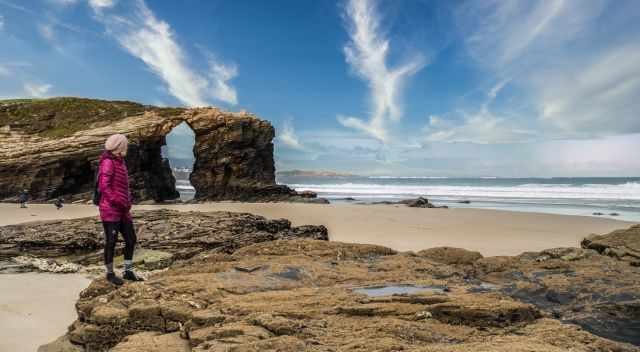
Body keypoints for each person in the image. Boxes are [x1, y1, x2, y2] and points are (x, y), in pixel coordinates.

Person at [98, 134, 143, 285]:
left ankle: (128, 271)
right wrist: (118, 201)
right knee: (111, 242)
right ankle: (110, 274)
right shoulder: (108, 162)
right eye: (125, 145)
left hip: (123, 209)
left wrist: (127, 201)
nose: (127, 147)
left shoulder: (120, 161)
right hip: (110, 209)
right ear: (119, 146)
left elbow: (123, 186)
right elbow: (104, 186)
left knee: (131, 239)